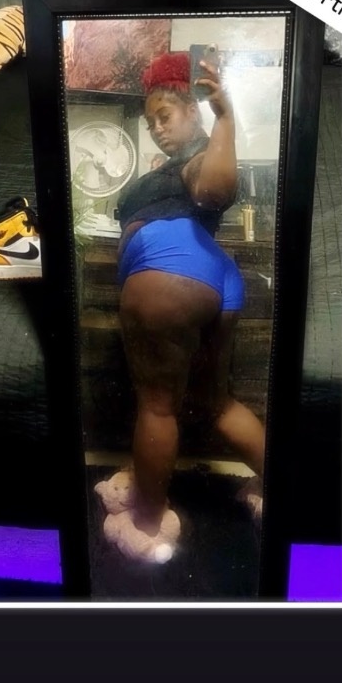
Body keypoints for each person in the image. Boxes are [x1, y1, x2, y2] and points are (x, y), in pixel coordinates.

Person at [98, 50, 265, 562]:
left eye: (165, 116)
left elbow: (215, 190)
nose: (157, 128)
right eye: (150, 122)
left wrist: (226, 118)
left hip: (170, 267)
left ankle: (147, 526)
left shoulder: (196, 160)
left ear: (193, 110)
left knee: (157, 406)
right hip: (214, 276)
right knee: (216, 402)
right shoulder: (178, 165)